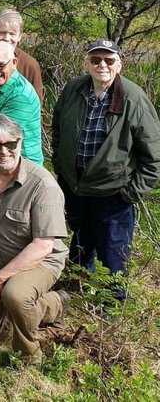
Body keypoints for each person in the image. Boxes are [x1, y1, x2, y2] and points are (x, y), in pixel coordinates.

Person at [0, 114, 69, 364]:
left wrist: (0, 279)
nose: (3, 151)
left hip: (39, 261)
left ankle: (28, 356)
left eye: (10, 144)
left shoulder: (42, 184)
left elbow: (43, 245)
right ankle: (48, 304)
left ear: (21, 141)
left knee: (15, 296)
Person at [52, 39, 160, 299]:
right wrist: (60, 166)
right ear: (86, 63)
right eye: (96, 59)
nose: (102, 65)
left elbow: (154, 157)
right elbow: (57, 130)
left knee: (113, 252)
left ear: (119, 65)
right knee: (80, 241)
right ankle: (77, 290)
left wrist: (129, 194)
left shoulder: (133, 99)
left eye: (109, 60)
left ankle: (111, 305)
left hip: (113, 194)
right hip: (75, 187)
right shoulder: (74, 89)